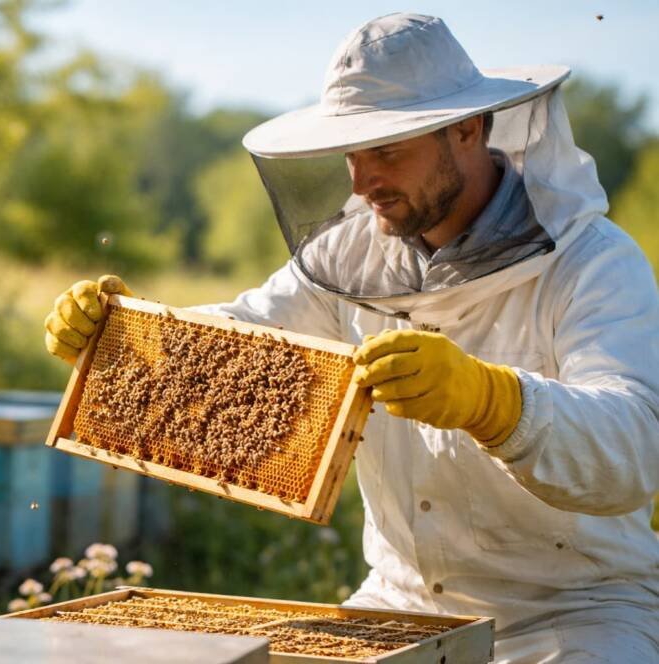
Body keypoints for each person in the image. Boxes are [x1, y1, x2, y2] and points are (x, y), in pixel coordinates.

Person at [44, 13, 659, 662]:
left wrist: (495, 401)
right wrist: (141, 344)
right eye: (353, 154)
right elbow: (251, 335)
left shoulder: (592, 265)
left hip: (576, 612)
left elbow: (637, 442)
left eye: (387, 151)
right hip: (400, 602)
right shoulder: (351, 254)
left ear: (467, 129)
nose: (362, 183)